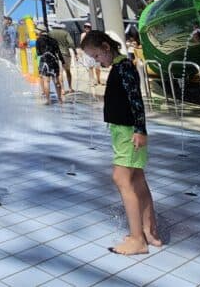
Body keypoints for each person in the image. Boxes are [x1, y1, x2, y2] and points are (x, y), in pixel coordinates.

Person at [81, 30, 162, 255]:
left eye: (97, 56)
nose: (98, 61)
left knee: (121, 178)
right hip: (124, 130)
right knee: (137, 179)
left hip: (128, 131)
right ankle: (149, 230)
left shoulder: (124, 67)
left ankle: (137, 239)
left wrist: (140, 129)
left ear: (106, 48)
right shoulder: (120, 66)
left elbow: (136, 100)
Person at [35, 27, 65, 105]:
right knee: (56, 81)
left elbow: (38, 53)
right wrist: (62, 61)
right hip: (54, 61)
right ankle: (60, 99)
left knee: (46, 81)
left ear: (40, 32)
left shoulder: (38, 40)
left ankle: (48, 100)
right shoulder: (53, 40)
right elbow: (58, 53)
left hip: (44, 61)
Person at [78, 22, 102, 87]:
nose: (86, 28)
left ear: (90, 28)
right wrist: (80, 52)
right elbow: (81, 43)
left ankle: (98, 79)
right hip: (87, 53)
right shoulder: (83, 35)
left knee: (97, 68)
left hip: (95, 52)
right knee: (90, 67)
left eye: (88, 27)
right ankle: (91, 81)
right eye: (85, 27)